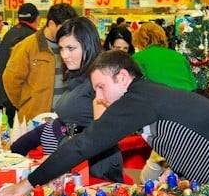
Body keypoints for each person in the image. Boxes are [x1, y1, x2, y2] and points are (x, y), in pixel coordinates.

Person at [0, 50, 209, 196]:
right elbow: (184, 132)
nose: (99, 96)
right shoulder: (147, 95)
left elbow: (83, 145)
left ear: (122, 77)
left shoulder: (136, 99)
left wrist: (27, 184)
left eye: (101, 87)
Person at [11, 17, 124, 182]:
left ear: (88, 45)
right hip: (76, 159)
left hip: (94, 165)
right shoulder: (77, 77)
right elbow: (74, 126)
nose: (65, 55)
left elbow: (102, 133)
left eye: (71, 48)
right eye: (62, 48)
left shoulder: (99, 79)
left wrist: (57, 159)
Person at [131, 21, 197, 182]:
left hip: (162, 119)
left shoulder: (138, 58)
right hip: (190, 113)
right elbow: (194, 86)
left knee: (151, 172)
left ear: (139, 41)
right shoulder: (179, 57)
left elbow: (135, 93)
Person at [3, 3, 77, 122]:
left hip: (65, 119)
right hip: (36, 119)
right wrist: (27, 102)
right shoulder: (27, 46)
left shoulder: (71, 45)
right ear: (52, 24)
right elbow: (10, 80)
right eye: (63, 28)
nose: (67, 32)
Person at [0, 3, 39, 125]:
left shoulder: (8, 34)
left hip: (4, 96)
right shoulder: (32, 38)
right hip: (20, 100)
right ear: (37, 18)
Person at [132, 21, 196, 91]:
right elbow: (193, 85)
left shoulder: (138, 58)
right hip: (187, 97)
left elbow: (135, 87)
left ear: (138, 40)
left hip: (157, 98)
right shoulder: (179, 56)